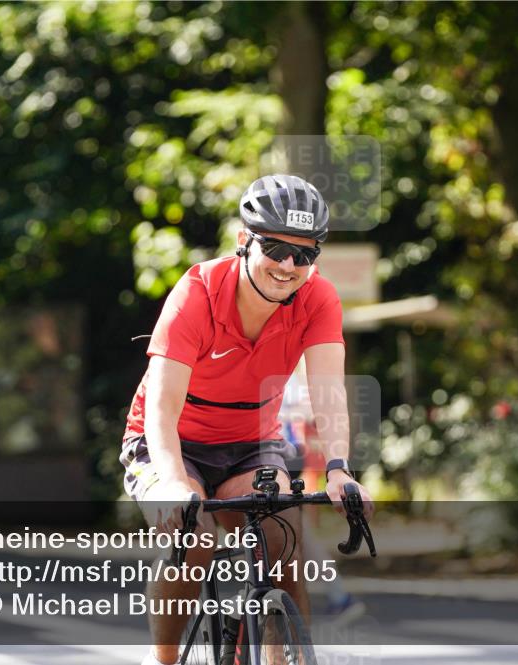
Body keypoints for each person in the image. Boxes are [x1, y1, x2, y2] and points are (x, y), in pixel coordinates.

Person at [120, 174, 374, 665]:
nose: (287, 265)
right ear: (244, 240)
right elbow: (162, 407)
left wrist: (341, 468)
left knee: (284, 541)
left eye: (304, 254)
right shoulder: (196, 293)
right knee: (189, 538)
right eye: (275, 248)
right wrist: (173, 482)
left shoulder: (318, 298)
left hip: (250, 444)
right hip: (169, 441)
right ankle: (164, 660)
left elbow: (328, 392)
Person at [279, 359, 366, 623]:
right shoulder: (287, 375)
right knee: (296, 531)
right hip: (283, 455)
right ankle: (337, 594)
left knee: (294, 532)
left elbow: (311, 410)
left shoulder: (291, 377)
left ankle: (336, 595)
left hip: (280, 456)